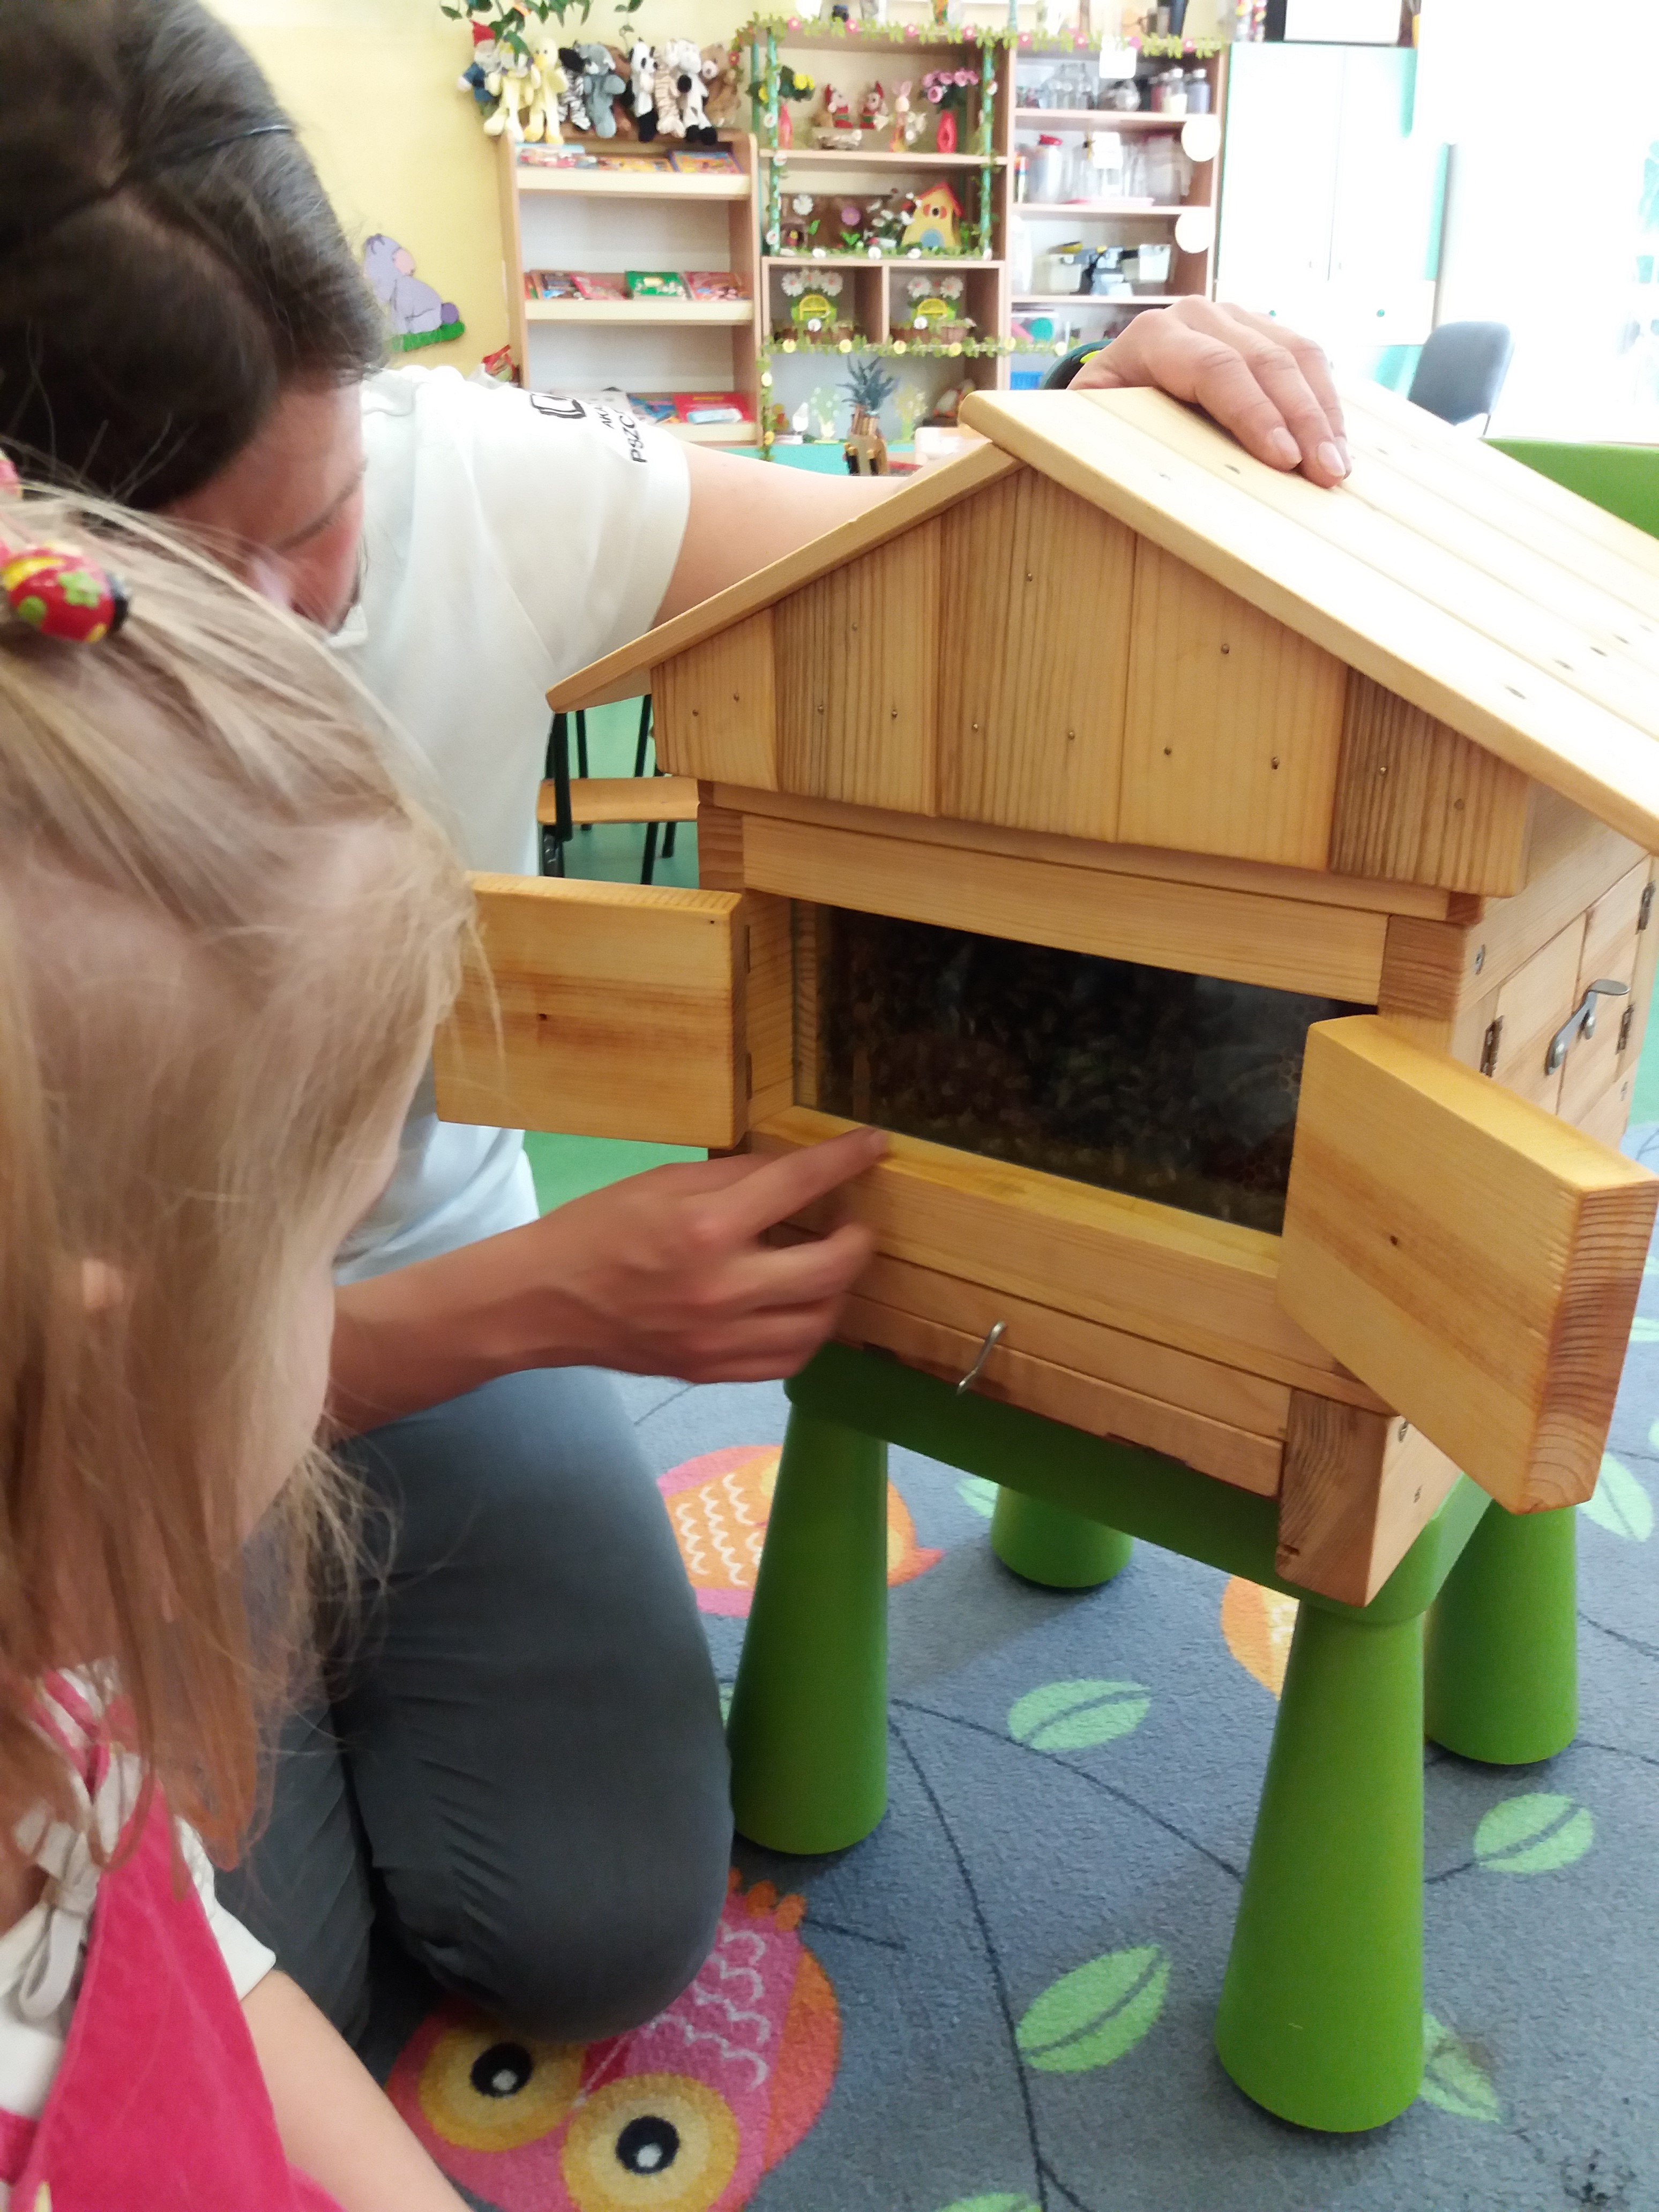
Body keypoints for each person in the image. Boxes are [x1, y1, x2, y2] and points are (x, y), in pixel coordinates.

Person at [0, 0, 1351, 2052]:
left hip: (395, 1303)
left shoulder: (475, 481)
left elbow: (925, 584)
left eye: (317, 526)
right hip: (97, 1411)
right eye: (194, 577)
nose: (286, 635)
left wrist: (1097, 427)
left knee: (599, 1928)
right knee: (256, 2001)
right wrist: (543, 1306)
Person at [0, 488, 477, 2207]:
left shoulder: (55, 1672)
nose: (334, 1305)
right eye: (331, 1251)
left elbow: (184, 1945)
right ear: (94, 1362)